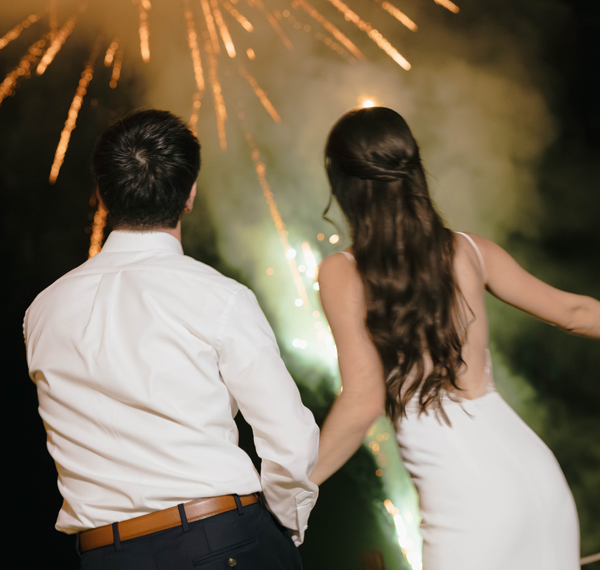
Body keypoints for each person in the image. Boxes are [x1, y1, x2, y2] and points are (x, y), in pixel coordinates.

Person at [24, 109, 318, 569]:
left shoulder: (42, 311)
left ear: (101, 194)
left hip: (106, 556)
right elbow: (291, 442)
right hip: (222, 539)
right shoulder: (220, 297)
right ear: (190, 195)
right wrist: (283, 529)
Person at [311, 106, 600, 570]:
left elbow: (364, 399)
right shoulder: (469, 249)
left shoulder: (342, 272)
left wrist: (289, 488)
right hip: (540, 484)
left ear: (342, 182)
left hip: (468, 496)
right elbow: (576, 312)